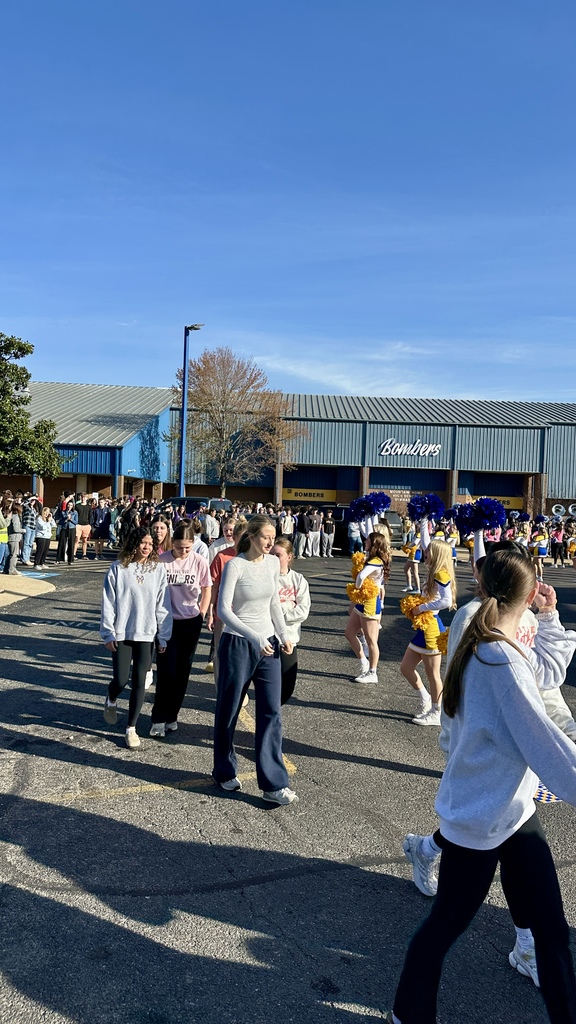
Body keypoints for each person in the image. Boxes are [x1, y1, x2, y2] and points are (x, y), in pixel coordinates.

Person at [387, 548, 576, 1024]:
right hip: (479, 814)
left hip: (513, 811)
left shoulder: (495, 639)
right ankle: (408, 1014)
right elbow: (545, 743)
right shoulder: (497, 657)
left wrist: (551, 621)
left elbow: (545, 677)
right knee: (444, 926)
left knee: (552, 929)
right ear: (530, 594)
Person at [212, 514, 298, 805]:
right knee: (229, 710)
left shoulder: (273, 563)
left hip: (269, 645)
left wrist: (283, 633)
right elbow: (224, 611)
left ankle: (273, 783)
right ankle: (224, 771)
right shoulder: (236, 565)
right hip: (238, 644)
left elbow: (274, 601)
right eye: (265, 537)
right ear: (250, 537)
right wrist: (253, 636)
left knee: (271, 711)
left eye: (273, 537)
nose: (270, 542)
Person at [100, 527, 172, 748]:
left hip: (146, 632)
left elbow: (163, 604)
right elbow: (108, 602)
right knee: (121, 680)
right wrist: (108, 632)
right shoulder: (118, 568)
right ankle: (111, 698)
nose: (147, 547)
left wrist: (163, 636)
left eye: (150, 544)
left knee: (140, 681)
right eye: (143, 542)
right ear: (133, 543)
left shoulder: (158, 570)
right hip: (122, 632)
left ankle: (131, 728)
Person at [149, 521, 211, 737]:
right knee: (166, 671)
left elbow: (206, 588)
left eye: (187, 548)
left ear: (193, 544)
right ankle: (158, 717)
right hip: (167, 622)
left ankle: (172, 716)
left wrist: (202, 613)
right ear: (172, 543)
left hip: (190, 621)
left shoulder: (200, 561)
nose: (183, 552)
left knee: (183, 672)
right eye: (178, 547)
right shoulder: (162, 560)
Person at [399, 521, 456, 725]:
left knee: (433, 674)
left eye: (429, 551)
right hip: (424, 627)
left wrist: (421, 608)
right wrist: (423, 520)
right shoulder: (433, 570)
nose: (425, 552)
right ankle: (424, 698)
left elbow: (446, 601)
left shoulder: (441, 573)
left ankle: (437, 711)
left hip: (432, 626)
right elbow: (424, 542)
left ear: (437, 554)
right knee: (406, 667)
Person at [345, 531, 391, 683]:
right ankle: (363, 662)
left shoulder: (376, 561)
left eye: (368, 541)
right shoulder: (372, 558)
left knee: (371, 640)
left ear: (374, 544)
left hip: (370, 602)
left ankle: (373, 672)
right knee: (350, 633)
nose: (365, 542)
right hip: (362, 601)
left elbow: (361, 576)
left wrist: (358, 588)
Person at [271, 537, 311, 703]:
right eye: (271, 554)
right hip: (267, 637)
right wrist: (289, 604)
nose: (274, 559)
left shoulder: (298, 580)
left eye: (278, 555)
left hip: (289, 639)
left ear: (289, 556)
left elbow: (302, 610)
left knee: (287, 685)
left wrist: (280, 614)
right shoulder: (266, 578)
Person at [55, 498, 78, 565]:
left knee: (71, 544)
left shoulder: (75, 512)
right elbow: (60, 521)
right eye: (68, 505)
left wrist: (70, 519)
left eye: (71, 505)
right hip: (64, 528)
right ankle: (58, 559)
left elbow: (76, 522)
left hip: (72, 528)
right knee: (61, 543)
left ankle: (70, 560)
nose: (69, 506)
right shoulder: (63, 512)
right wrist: (65, 519)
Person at [5, 502, 24, 575]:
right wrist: (23, 530)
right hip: (14, 538)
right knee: (14, 555)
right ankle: (12, 569)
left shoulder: (12, 515)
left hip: (11, 538)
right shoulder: (15, 517)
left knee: (10, 555)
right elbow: (16, 529)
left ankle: (6, 569)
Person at [74, 494, 93, 559]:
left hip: (86, 525)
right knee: (77, 539)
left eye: (84, 497)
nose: (83, 498)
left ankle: (84, 554)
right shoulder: (77, 506)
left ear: (86, 498)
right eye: (82, 497)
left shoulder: (89, 507)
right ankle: (74, 554)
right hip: (78, 524)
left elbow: (90, 516)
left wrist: (89, 525)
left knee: (85, 540)